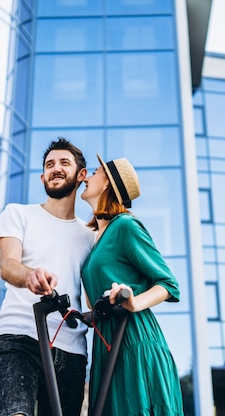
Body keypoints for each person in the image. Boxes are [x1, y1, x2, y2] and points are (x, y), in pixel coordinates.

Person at [0, 138, 95, 416]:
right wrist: (29, 276)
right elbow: (8, 264)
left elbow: (91, 292)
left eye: (64, 163)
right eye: (49, 165)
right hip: (19, 336)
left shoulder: (90, 236)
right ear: (42, 176)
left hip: (72, 349)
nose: (55, 168)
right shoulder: (19, 214)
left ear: (81, 175)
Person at [80, 154, 184, 416]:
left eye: (94, 172)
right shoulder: (94, 239)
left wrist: (134, 301)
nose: (87, 177)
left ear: (107, 184)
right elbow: (94, 301)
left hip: (135, 341)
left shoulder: (125, 226)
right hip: (106, 344)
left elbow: (169, 284)